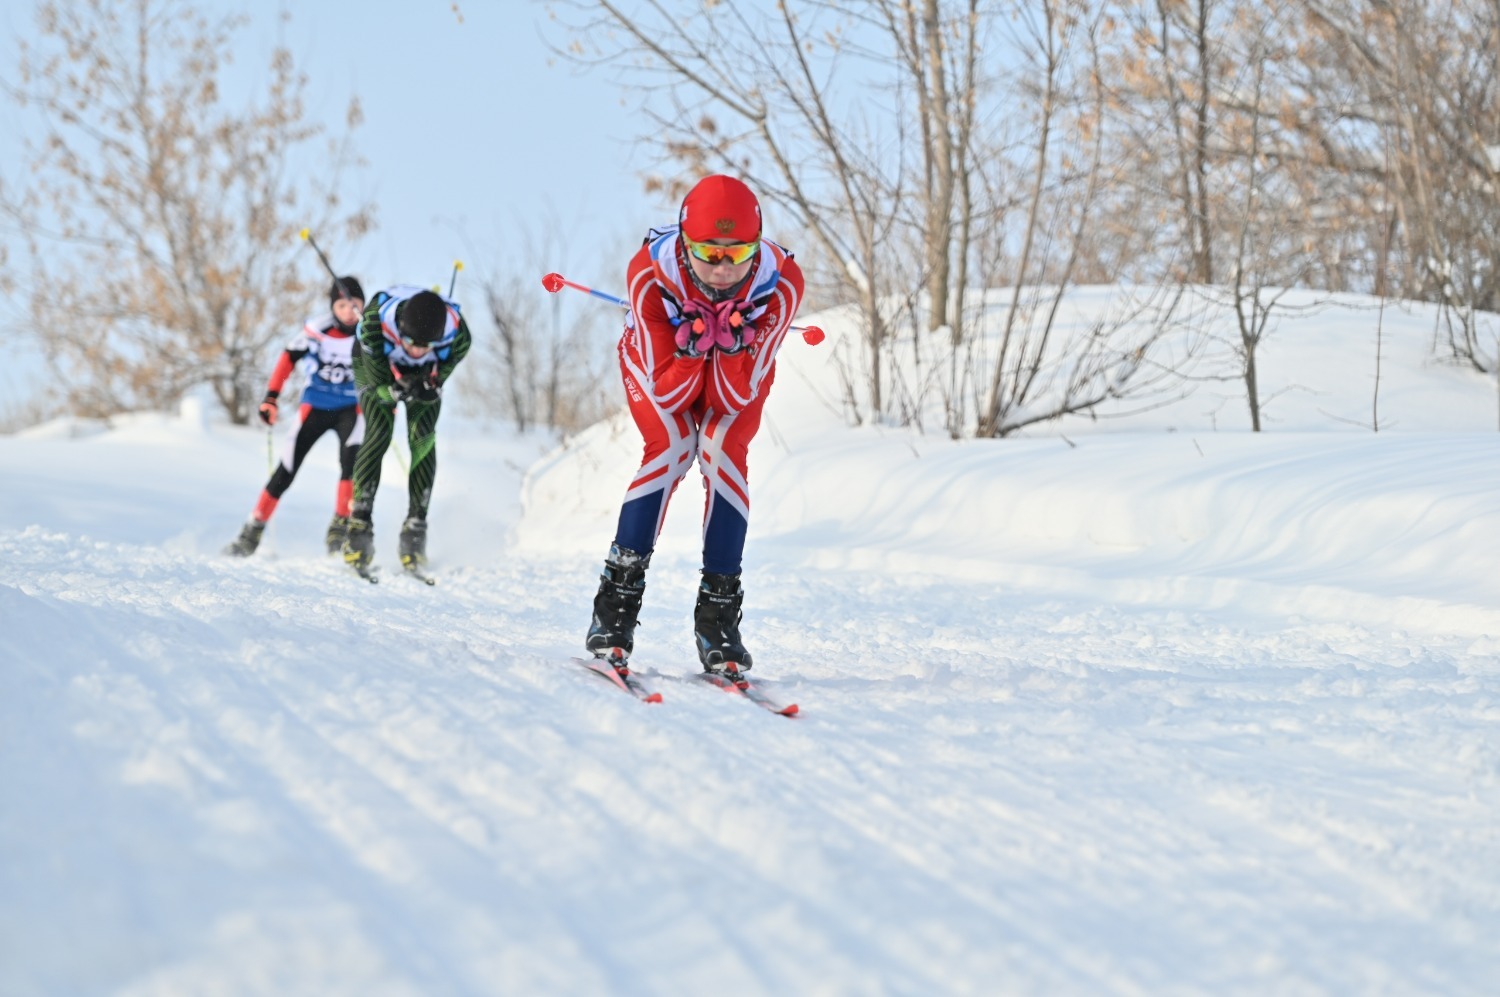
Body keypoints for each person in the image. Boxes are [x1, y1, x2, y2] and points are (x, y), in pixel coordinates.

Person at [586, 174, 806, 679]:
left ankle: (718, 617)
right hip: (660, 367)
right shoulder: (650, 273)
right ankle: (615, 606)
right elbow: (668, 393)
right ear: (685, 246)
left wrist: (729, 348)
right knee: (674, 445)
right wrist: (689, 352)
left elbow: (734, 397)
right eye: (710, 252)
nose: (724, 269)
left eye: (739, 253)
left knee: (723, 448)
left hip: (738, 375)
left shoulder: (783, 282)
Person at [224, 277, 366, 557]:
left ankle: (340, 527)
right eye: (342, 305)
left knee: (352, 465)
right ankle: (252, 530)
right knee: (287, 468)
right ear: (333, 307)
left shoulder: (369, 332)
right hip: (316, 406)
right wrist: (271, 398)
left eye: (355, 304)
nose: (349, 310)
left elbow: (387, 365)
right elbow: (288, 357)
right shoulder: (317, 330)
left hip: (351, 408)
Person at [342, 284, 471, 575]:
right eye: (411, 342)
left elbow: (450, 360)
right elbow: (380, 387)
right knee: (378, 432)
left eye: (425, 346)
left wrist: (433, 383)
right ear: (400, 327)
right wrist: (396, 389)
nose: (416, 350)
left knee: (422, 437)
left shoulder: (458, 333)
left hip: (423, 371)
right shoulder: (375, 323)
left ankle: (416, 527)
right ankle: (359, 523)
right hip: (374, 364)